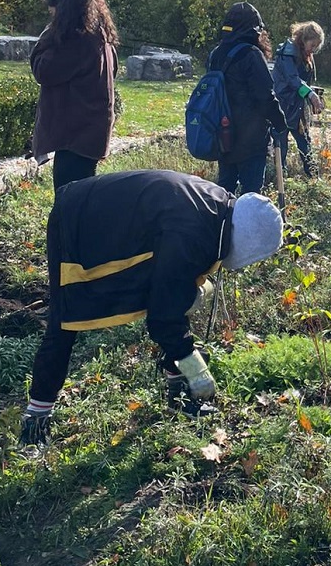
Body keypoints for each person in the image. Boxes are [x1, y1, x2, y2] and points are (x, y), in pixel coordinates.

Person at [18, 170, 283, 447]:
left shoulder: (218, 209)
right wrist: (195, 368)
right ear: (246, 242)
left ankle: (178, 397)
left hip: (105, 214)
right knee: (65, 322)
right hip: (77, 219)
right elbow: (162, 316)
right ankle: (34, 426)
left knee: (180, 296)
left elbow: (172, 292)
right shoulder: (192, 231)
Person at [30, 0, 119, 192]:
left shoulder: (76, 41)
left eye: (55, 12)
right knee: (81, 197)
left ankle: (67, 229)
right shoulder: (100, 36)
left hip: (76, 136)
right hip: (89, 132)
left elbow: (43, 71)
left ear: (65, 10)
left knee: (68, 200)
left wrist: (47, 36)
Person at [208, 2, 288, 194]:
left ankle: (222, 223)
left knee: (224, 190)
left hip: (224, 132)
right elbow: (265, 97)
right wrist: (281, 123)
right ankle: (246, 223)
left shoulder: (216, 54)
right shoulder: (252, 55)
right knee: (251, 193)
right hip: (250, 137)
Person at [272, 21, 325, 178]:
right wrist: (310, 94)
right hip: (283, 103)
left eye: (317, 46)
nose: (314, 49)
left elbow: (303, 81)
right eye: (313, 44)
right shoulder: (287, 53)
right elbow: (292, 79)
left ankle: (313, 176)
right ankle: (280, 179)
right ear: (304, 39)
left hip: (298, 104)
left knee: (304, 141)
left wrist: (314, 93)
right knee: (281, 143)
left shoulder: (305, 54)